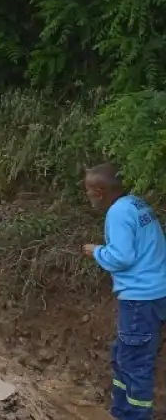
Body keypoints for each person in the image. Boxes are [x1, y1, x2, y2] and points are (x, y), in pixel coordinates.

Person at [83, 163, 166, 420]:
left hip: (140, 299)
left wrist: (95, 251)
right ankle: (121, 411)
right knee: (122, 355)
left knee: (134, 365)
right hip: (156, 292)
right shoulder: (136, 204)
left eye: (88, 190)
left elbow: (121, 257)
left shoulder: (118, 213)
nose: (86, 195)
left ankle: (135, 416)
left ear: (99, 191)